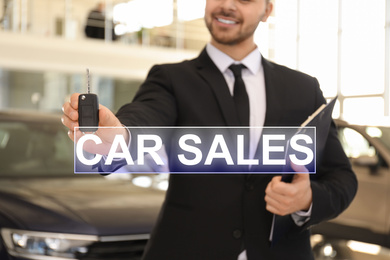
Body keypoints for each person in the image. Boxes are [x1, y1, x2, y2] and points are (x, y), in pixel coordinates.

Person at [62, 0, 357, 259]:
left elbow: (342, 177)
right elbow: (146, 116)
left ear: (267, 10)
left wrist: (306, 199)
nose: (227, 5)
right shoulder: (170, 79)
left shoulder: (303, 89)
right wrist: (120, 137)